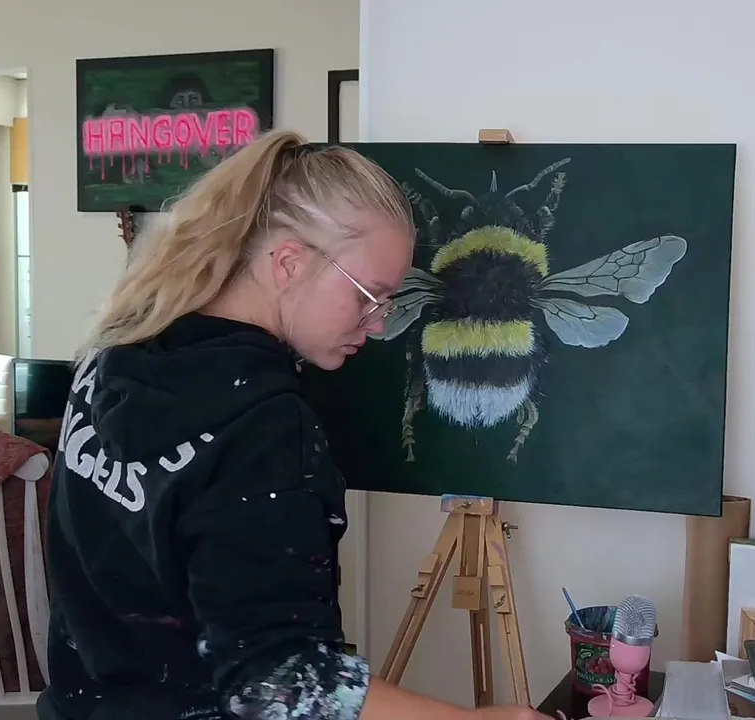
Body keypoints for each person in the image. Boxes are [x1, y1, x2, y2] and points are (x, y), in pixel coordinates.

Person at [37, 130, 551, 720]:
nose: (379, 324)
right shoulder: (264, 428)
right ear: (289, 263)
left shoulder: (115, 351)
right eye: (369, 296)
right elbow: (277, 681)